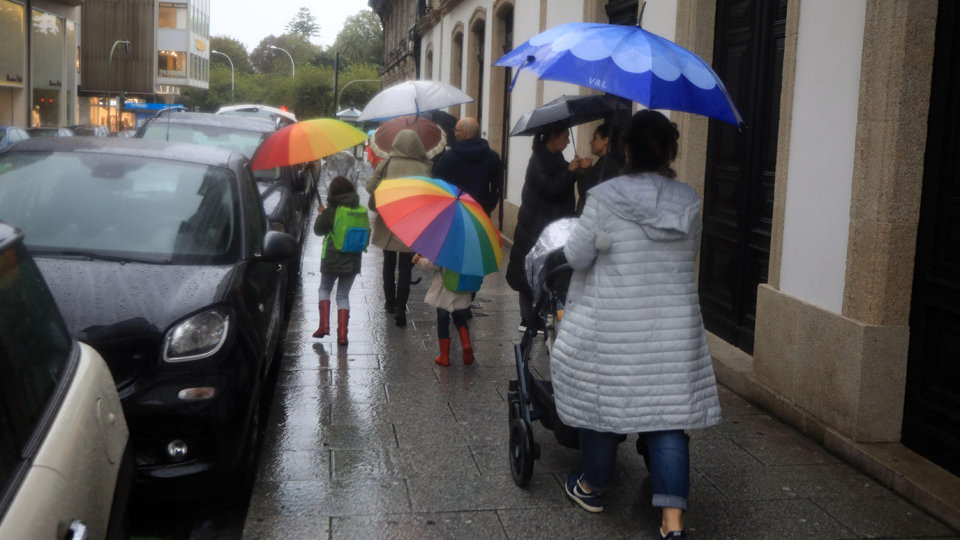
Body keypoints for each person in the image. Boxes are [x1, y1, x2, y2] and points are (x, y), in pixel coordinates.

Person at [549, 110, 721, 539]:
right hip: (671, 329)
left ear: (626, 148)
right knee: (667, 418)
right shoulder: (689, 201)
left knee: (603, 411)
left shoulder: (605, 198)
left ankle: (592, 486)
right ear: (670, 151)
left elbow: (577, 256)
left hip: (614, 326)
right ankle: (672, 523)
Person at [505, 123, 586, 332]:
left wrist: (578, 170)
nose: (568, 140)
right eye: (565, 136)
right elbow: (549, 188)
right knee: (530, 275)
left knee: (547, 279)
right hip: (536, 228)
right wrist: (570, 171)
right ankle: (528, 320)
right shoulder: (538, 161)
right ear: (553, 137)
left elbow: (560, 183)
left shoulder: (554, 158)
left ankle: (546, 321)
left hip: (548, 228)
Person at [365, 129, 432, 326]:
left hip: (388, 219)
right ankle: (401, 308)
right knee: (405, 267)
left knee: (388, 263)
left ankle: (390, 303)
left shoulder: (386, 163)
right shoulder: (424, 167)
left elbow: (369, 186)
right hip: (411, 222)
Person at [311, 176, 367, 346]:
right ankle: (342, 336)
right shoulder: (359, 210)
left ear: (332, 193)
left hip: (332, 259)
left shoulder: (331, 211)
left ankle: (324, 326)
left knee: (324, 289)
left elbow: (318, 230)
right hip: (353, 261)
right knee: (343, 295)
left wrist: (321, 214)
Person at [431, 117, 503, 215]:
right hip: (480, 212)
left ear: (464, 134)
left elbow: (435, 183)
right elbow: (497, 186)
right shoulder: (492, 157)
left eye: (456, 130)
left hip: (454, 210)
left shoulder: (448, 158)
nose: (454, 133)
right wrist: (489, 206)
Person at [414, 254, 476, 367]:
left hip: (444, 291)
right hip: (462, 290)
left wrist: (418, 260)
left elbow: (432, 265)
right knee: (460, 319)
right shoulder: (470, 249)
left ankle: (444, 357)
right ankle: (466, 343)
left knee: (442, 320)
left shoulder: (446, 245)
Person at [575, 122, 624, 214]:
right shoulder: (613, 161)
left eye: (595, 138)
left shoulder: (608, 163)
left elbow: (587, 193)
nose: (591, 142)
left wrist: (583, 170)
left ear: (605, 140)